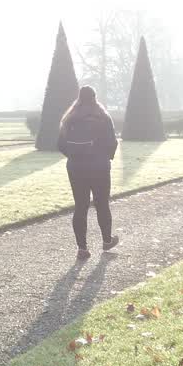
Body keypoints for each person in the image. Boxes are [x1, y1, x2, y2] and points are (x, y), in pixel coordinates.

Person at [57, 86, 120, 260]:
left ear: (79, 98)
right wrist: (106, 157)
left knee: (80, 206)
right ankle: (107, 240)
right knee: (102, 204)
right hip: (99, 166)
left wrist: (74, 156)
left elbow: (61, 144)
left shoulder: (69, 118)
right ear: (94, 98)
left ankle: (82, 248)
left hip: (76, 167)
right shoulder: (103, 117)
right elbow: (112, 142)